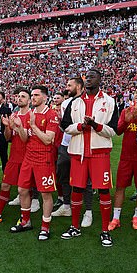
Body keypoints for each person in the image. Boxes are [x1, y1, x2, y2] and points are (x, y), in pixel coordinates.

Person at [61, 69, 119, 246]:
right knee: (77, 189)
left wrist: (95, 125)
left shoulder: (109, 102)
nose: (88, 80)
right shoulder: (75, 102)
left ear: (100, 79)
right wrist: (81, 125)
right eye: (86, 77)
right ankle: (74, 227)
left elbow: (114, 131)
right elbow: (64, 126)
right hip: (78, 153)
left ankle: (104, 230)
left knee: (103, 190)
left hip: (100, 154)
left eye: (92, 77)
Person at [9, 85, 59, 240]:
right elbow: (24, 139)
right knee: (22, 190)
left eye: (37, 95)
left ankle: (45, 227)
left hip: (44, 158)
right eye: (32, 95)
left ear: (45, 97)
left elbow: (48, 139)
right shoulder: (29, 114)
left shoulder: (51, 114)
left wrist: (33, 126)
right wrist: (18, 127)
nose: (34, 97)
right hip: (28, 157)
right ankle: (25, 221)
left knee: (45, 193)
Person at [109, 79, 137, 231]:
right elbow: (118, 131)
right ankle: (116, 217)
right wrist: (127, 120)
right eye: (136, 92)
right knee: (120, 187)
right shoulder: (126, 111)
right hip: (126, 156)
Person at [52, 78, 93, 226]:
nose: (67, 88)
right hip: (66, 144)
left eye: (70, 85)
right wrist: (60, 122)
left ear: (79, 86)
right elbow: (64, 127)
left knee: (85, 180)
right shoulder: (66, 103)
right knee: (63, 175)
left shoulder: (88, 101)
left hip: (82, 145)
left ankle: (88, 211)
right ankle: (67, 205)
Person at [0, 88, 30, 223]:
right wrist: (7, 127)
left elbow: (27, 139)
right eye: (18, 96)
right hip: (13, 156)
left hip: (27, 157)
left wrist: (18, 127)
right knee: (5, 185)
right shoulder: (13, 115)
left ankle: (25, 217)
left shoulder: (32, 115)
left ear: (29, 100)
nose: (19, 98)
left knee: (24, 189)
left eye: (23, 96)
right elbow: (8, 138)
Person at [0, 91, 12, 171]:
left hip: (3, 137)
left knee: (4, 158)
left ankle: (6, 177)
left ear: (3, 100)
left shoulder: (7, 110)